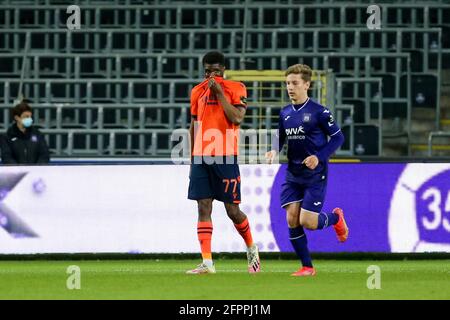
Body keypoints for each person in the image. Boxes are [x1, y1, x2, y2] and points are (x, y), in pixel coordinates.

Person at [266, 64, 348, 276]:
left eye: (294, 83)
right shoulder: (284, 113)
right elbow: (280, 137)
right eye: (287, 84)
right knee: (292, 218)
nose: (290, 88)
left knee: (308, 222)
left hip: (315, 175)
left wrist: (318, 157)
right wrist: (273, 151)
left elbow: (339, 137)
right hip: (293, 174)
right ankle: (307, 267)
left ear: (307, 85)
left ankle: (336, 218)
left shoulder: (319, 112)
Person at [187, 51, 260, 274]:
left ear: (224, 70)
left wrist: (219, 94)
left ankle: (251, 249)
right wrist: (192, 157)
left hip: (226, 155)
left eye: (216, 71)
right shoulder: (196, 91)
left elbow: (237, 118)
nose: (211, 75)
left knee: (232, 210)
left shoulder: (236, 88)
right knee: (203, 206)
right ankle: (207, 262)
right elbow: (194, 125)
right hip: (201, 157)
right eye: (207, 71)